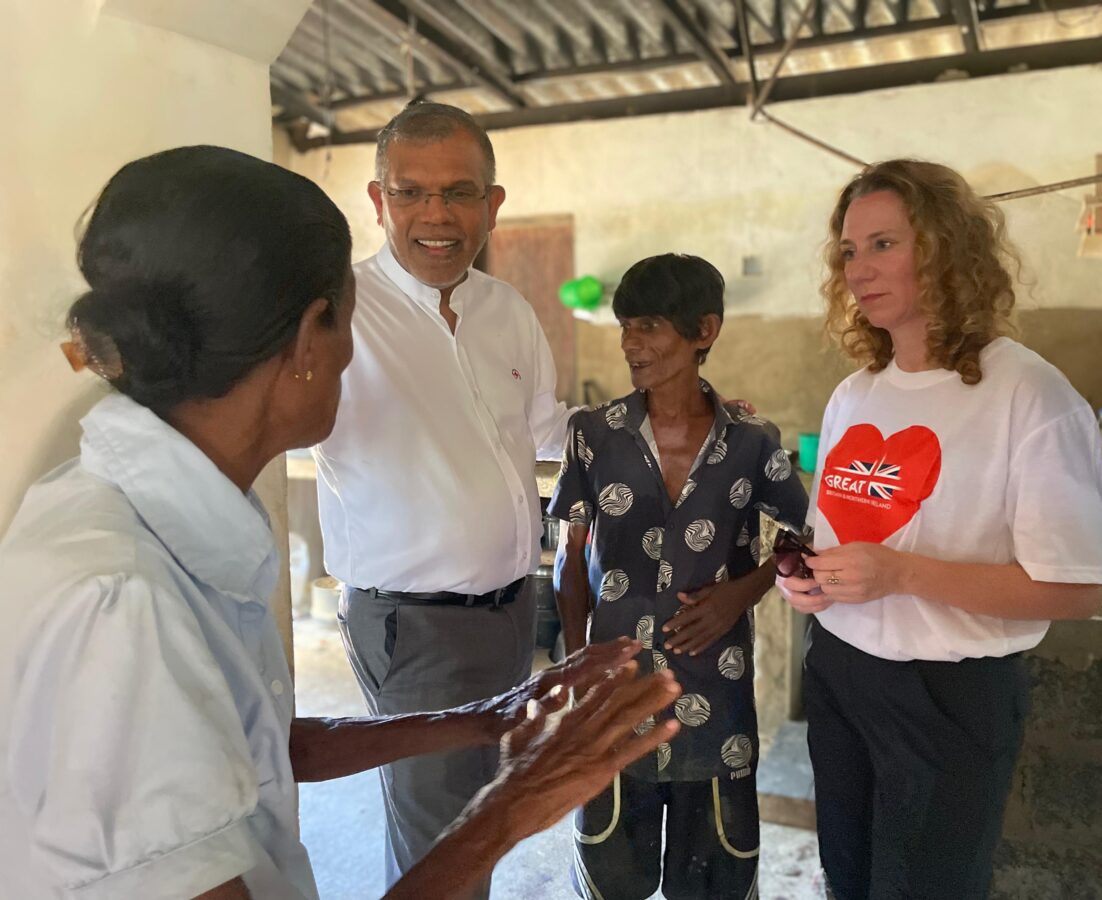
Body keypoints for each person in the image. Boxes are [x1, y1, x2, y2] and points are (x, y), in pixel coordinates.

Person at [0, 145, 682, 900]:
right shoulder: (123, 604)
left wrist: (486, 719)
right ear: (309, 338)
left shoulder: (153, 523)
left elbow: (263, 747)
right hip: (417, 616)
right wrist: (514, 807)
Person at [776, 159, 1102, 900]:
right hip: (840, 674)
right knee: (849, 880)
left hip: (947, 698)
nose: (859, 269)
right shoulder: (854, 394)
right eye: (849, 250)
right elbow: (834, 539)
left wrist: (902, 574)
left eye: (884, 244)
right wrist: (809, 581)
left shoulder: (1030, 394)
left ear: (946, 249)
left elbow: (1076, 589)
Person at [310, 100, 576, 894]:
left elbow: (547, 430)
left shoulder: (507, 310)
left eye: (459, 192)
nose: (436, 215)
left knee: (479, 816)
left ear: (492, 204)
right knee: (440, 842)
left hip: (511, 612)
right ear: (378, 200)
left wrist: (662, 424)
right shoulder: (339, 312)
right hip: (414, 625)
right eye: (410, 193)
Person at [551, 254, 809, 900]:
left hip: (716, 706)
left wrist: (741, 594)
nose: (629, 344)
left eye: (648, 326)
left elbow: (804, 533)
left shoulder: (751, 440)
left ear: (704, 331)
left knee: (716, 884)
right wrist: (581, 669)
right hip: (615, 704)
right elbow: (568, 558)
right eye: (625, 327)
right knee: (611, 883)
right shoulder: (593, 435)